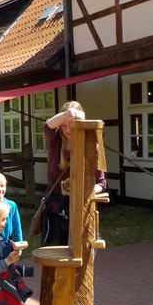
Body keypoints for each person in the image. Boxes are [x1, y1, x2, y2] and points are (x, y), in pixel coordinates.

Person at [42, 101, 107, 246]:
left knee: (81, 260)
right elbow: (47, 126)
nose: (67, 130)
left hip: (81, 213)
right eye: (64, 125)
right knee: (53, 260)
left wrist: (82, 191)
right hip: (55, 212)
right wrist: (67, 115)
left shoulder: (92, 146)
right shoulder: (56, 139)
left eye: (71, 125)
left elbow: (101, 184)